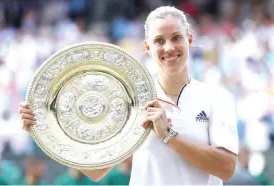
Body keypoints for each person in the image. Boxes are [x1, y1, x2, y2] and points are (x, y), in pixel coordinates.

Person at [19, 6, 238, 185]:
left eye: (176, 38)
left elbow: (226, 168)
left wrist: (169, 136)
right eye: (159, 41)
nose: (169, 47)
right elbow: (97, 172)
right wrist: (45, 130)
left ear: (189, 40)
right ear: (148, 47)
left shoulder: (216, 97)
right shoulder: (132, 100)